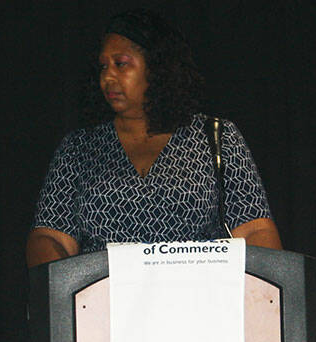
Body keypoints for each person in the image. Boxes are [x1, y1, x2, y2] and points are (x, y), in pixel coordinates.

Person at [25, 8, 281, 268]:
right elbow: (49, 236)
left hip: (202, 301)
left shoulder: (216, 137)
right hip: (105, 304)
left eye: (121, 64)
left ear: (157, 68)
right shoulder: (79, 148)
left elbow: (255, 230)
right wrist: (61, 292)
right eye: (103, 66)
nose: (108, 76)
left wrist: (263, 296)